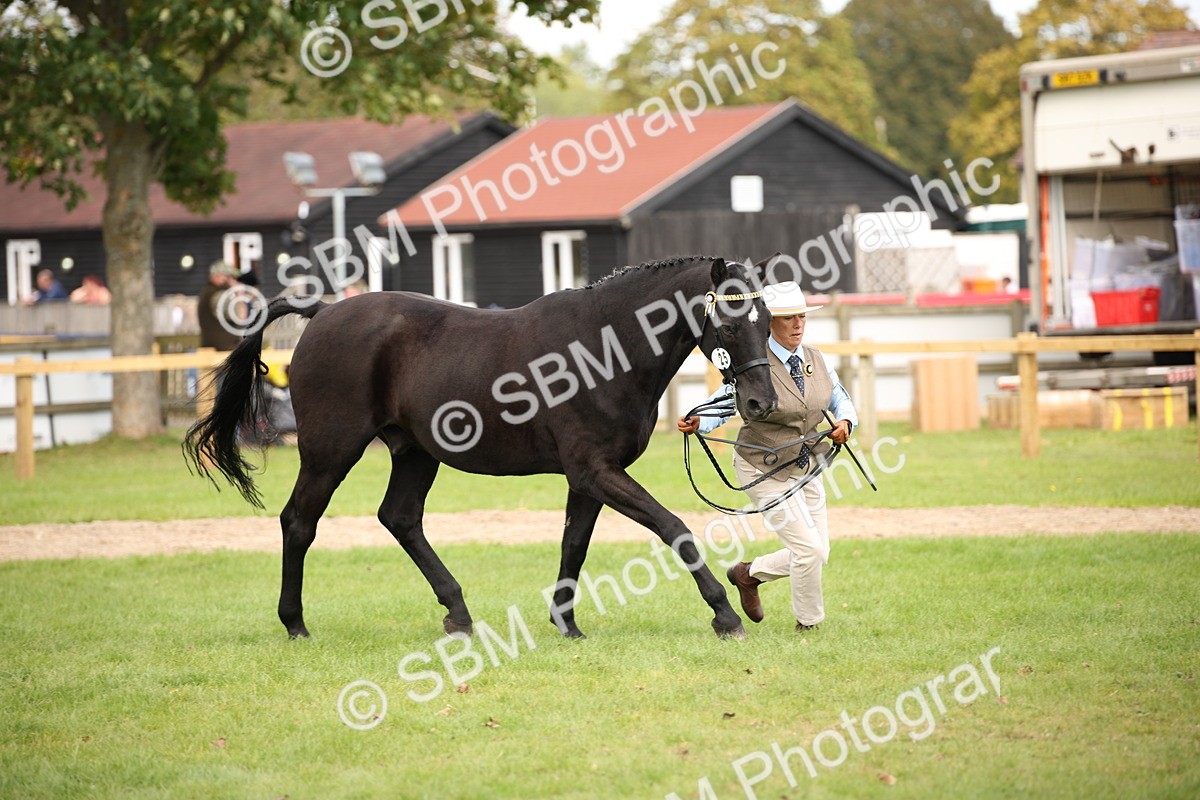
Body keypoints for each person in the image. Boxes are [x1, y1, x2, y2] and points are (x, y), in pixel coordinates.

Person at [677, 281, 857, 632]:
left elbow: (840, 399)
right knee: (808, 551)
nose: (797, 325)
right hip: (762, 468)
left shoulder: (816, 360)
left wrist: (847, 421)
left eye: (801, 317)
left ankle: (747, 574)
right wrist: (701, 422)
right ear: (769, 322)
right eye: (788, 318)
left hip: (808, 467)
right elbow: (725, 404)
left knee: (819, 552)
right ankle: (810, 625)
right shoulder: (753, 364)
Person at [197, 259, 242, 351]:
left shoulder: (209, 293)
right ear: (218, 276)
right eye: (229, 277)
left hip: (216, 352)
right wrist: (239, 294)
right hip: (221, 353)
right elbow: (240, 317)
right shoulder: (218, 296)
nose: (232, 281)